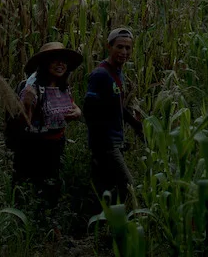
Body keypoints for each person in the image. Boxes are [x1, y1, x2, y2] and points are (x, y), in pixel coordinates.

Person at [10, 41, 84, 208]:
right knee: (31, 187)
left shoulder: (63, 87)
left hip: (56, 144)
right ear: (44, 64)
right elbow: (23, 122)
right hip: (35, 147)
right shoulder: (33, 89)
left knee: (52, 186)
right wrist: (27, 106)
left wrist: (77, 112)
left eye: (63, 61)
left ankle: (50, 222)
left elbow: (71, 106)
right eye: (54, 60)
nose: (60, 64)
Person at [83, 26, 143, 205]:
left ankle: (106, 223)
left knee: (106, 188)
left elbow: (117, 106)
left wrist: (136, 126)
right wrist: (102, 141)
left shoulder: (118, 73)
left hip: (115, 140)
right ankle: (132, 220)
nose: (124, 51)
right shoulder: (101, 74)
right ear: (109, 47)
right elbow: (88, 109)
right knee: (129, 186)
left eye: (128, 48)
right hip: (107, 143)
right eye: (119, 47)